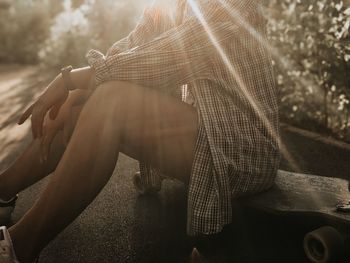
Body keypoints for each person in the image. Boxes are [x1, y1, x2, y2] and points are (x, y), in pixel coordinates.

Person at [0, 0, 280, 262]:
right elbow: (130, 48)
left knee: (113, 100)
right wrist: (78, 87)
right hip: (206, 135)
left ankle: (18, 248)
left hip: (243, 148)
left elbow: (172, 55)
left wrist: (72, 80)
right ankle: (3, 191)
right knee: (81, 101)